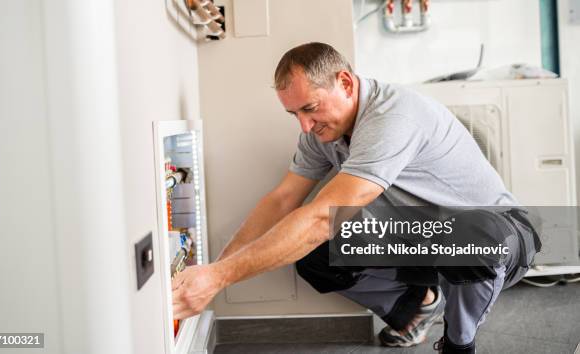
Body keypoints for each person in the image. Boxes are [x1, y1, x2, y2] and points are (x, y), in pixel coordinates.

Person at [172, 42, 540, 354]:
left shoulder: (393, 117)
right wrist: (213, 269)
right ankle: (418, 304)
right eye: (294, 113)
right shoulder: (320, 134)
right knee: (317, 257)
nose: (304, 125)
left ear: (345, 83)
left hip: (502, 237)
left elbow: (321, 218)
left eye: (310, 108)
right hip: (421, 239)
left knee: (464, 237)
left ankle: (460, 344)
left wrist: (218, 280)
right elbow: (282, 199)